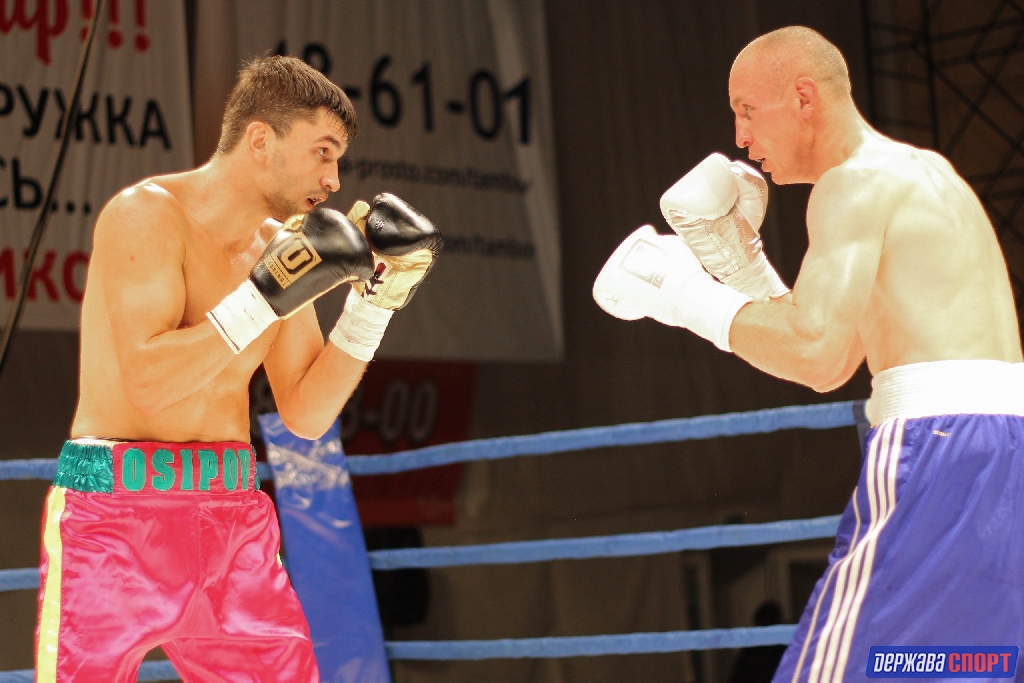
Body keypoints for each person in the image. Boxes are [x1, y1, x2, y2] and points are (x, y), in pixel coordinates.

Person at [594, 26, 1024, 682]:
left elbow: (817, 354)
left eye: (746, 111)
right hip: (1004, 453)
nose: (740, 137)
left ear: (802, 97)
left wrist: (679, 292)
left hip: (938, 449)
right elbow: (841, 354)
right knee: (956, 667)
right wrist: (743, 267)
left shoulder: (851, 187)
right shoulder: (924, 175)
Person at [34, 56, 441, 682]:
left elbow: (305, 415)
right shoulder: (146, 214)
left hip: (232, 518)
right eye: (323, 152)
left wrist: (374, 304)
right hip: (117, 517)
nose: (334, 180)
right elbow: (149, 383)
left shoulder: (281, 250)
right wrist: (263, 297)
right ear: (260, 140)